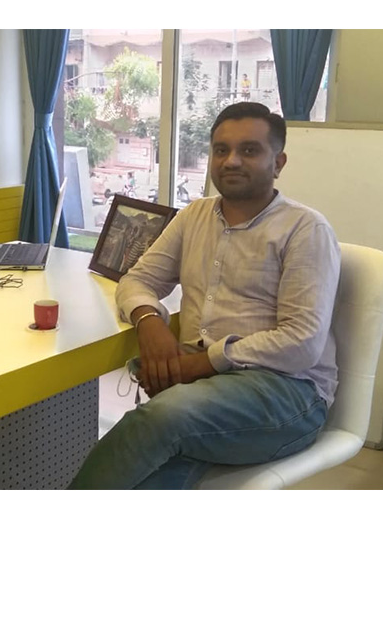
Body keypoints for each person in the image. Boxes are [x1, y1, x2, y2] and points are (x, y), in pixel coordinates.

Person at [69, 101, 341, 489]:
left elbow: (301, 343)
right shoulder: (194, 216)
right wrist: (149, 320)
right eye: (221, 150)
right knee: (153, 473)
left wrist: (200, 365)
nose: (231, 161)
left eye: (249, 150)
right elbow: (137, 279)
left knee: (160, 419)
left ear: (278, 163)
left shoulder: (305, 230)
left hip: (288, 394)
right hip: (205, 390)